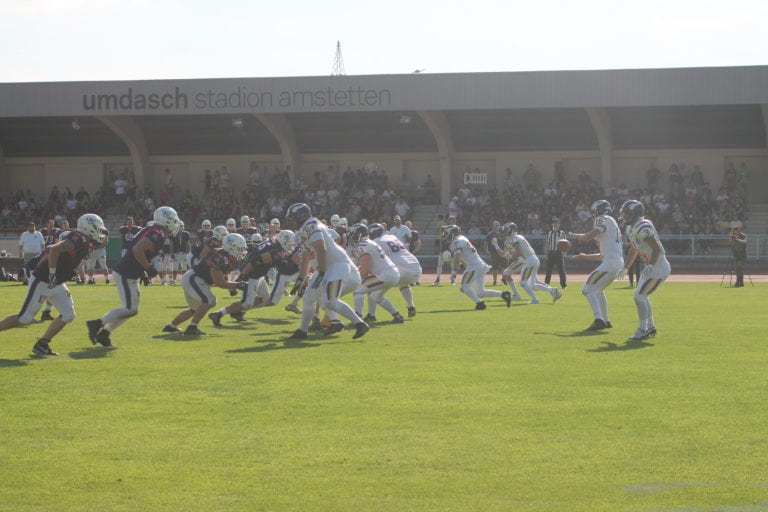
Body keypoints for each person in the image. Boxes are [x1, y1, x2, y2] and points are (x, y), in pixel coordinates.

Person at [0, 214, 106, 356]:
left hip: (56, 282)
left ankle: (42, 344)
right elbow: (55, 249)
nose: (99, 231)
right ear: (89, 228)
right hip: (44, 280)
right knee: (25, 318)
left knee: (68, 314)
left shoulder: (85, 240)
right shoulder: (79, 238)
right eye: (97, 228)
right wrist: (52, 273)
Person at [86, 206, 181, 347]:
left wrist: (143, 271)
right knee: (130, 309)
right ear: (165, 220)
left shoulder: (154, 231)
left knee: (131, 310)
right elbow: (137, 250)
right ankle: (97, 324)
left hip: (131, 272)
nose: (175, 223)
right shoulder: (157, 232)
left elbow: (135, 250)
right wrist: (148, 268)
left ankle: (104, 334)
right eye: (173, 220)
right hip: (126, 272)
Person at [284, 203, 369, 340]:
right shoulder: (304, 229)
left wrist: (322, 272)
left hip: (336, 265)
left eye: (293, 217)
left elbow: (321, 248)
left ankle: (360, 324)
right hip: (326, 267)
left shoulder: (310, 225)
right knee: (308, 298)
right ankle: (302, 331)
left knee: (330, 301)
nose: (291, 221)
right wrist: (300, 278)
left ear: (301, 216)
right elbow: (306, 257)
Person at [162, 233, 247, 335]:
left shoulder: (225, 256)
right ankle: (192, 327)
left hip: (194, 279)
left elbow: (221, 277)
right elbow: (219, 282)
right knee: (210, 300)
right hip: (195, 278)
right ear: (231, 247)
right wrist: (237, 285)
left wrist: (234, 285)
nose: (242, 251)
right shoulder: (221, 257)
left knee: (195, 309)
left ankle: (171, 326)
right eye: (239, 248)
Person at [618, 200, 671, 340]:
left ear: (635, 214)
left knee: (639, 296)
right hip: (651, 267)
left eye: (627, 213)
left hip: (658, 267)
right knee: (642, 296)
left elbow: (656, 248)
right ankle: (650, 327)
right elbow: (635, 249)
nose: (625, 216)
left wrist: (651, 265)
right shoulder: (631, 229)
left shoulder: (643, 225)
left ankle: (643, 329)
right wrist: (625, 268)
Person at [571, 200, 624, 331]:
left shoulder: (602, 219)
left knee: (587, 289)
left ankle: (598, 319)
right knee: (598, 291)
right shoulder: (612, 223)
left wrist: (577, 236)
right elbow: (602, 255)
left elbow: (589, 236)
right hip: (615, 262)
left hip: (611, 262)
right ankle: (605, 320)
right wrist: (585, 256)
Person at [443, 225, 511, 310]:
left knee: (464, 287)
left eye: (446, 233)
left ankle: (480, 304)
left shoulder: (456, 242)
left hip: (474, 266)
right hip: (479, 264)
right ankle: (503, 294)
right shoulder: (462, 238)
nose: (444, 234)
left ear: (452, 233)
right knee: (480, 292)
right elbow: (462, 257)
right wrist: (460, 263)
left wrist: (453, 272)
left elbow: (457, 257)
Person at [348, 223, 404, 325]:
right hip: (392, 273)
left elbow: (365, 268)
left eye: (353, 234)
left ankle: (357, 320)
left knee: (358, 290)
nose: (351, 237)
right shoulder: (369, 243)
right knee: (375, 296)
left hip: (385, 274)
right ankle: (397, 315)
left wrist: (357, 277)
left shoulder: (362, 245)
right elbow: (367, 265)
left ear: (359, 235)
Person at [501, 222, 562, 304]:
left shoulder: (514, 238)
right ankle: (553, 291)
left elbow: (519, 252)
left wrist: (510, 254)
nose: (504, 232)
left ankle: (535, 299)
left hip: (528, 261)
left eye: (506, 230)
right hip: (530, 259)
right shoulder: (516, 237)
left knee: (523, 283)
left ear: (510, 231)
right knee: (532, 284)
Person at [370, 223, 423, 317]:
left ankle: (394, 314)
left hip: (402, 271)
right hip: (416, 267)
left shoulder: (375, 242)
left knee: (373, 294)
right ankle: (411, 307)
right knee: (403, 284)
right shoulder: (392, 237)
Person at [543, 217, 568, 289]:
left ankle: (563, 285)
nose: (556, 225)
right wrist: (546, 253)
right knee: (548, 270)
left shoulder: (562, 233)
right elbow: (547, 243)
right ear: (552, 224)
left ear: (559, 224)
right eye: (555, 223)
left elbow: (565, 244)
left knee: (561, 271)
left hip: (559, 253)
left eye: (557, 223)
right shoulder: (550, 233)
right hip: (551, 252)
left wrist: (564, 253)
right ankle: (546, 284)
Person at [433, 216, 457, 286]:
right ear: (448, 221)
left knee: (453, 265)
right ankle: (437, 279)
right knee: (439, 264)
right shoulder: (444, 228)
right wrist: (440, 248)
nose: (451, 221)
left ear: (455, 221)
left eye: (453, 220)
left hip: (452, 249)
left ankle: (452, 280)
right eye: (450, 220)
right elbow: (441, 238)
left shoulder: (456, 229)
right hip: (444, 248)